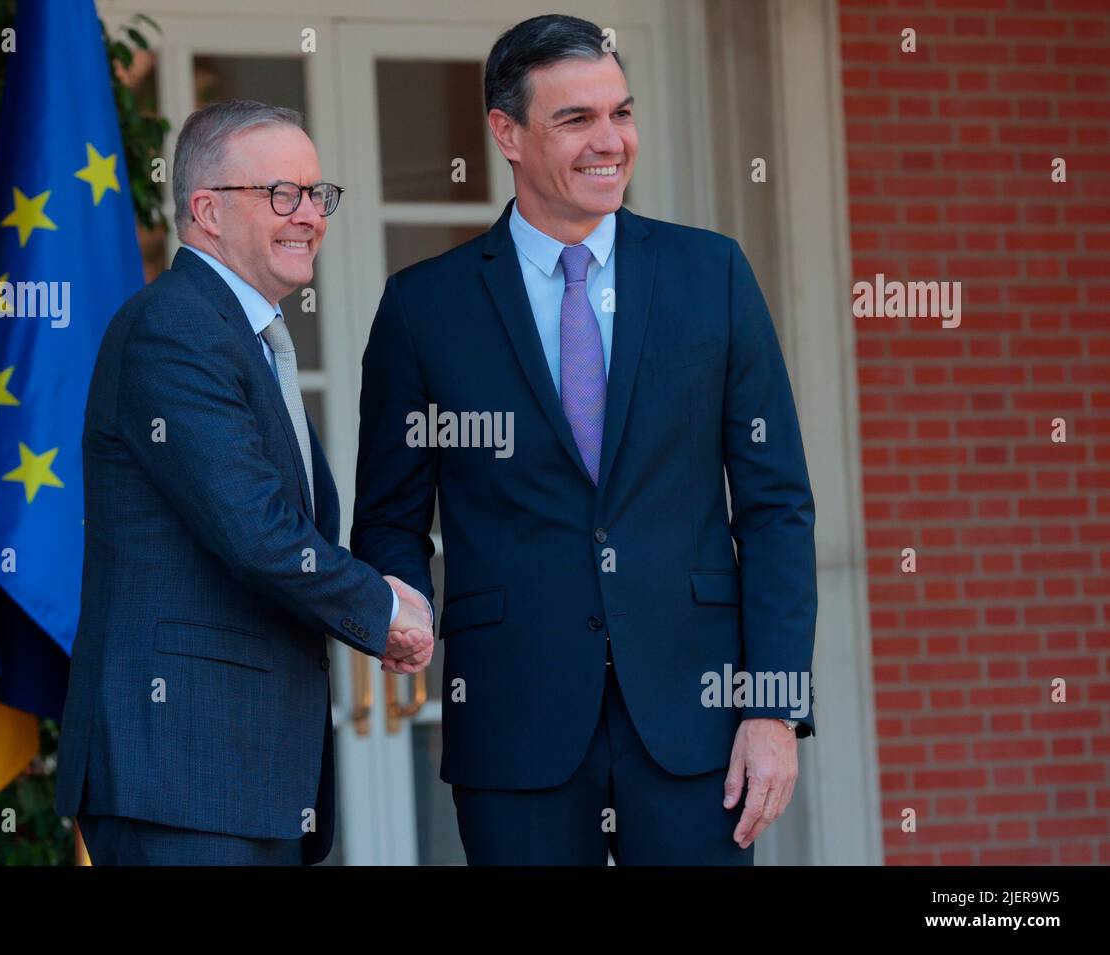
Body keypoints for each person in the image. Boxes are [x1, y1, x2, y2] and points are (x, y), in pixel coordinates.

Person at [352, 14, 816, 865]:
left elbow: (778, 505)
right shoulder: (425, 308)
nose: (610, 142)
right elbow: (388, 517)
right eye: (576, 119)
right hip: (513, 721)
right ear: (508, 133)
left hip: (698, 722)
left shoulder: (711, 275)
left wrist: (774, 707)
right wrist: (401, 603)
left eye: (622, 113)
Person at [56, 100, 433, 866]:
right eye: (281, 195)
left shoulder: (239, 332)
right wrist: (383, 605)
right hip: (182, 776)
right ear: (207, 212)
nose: (309, 216)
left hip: (237, 774)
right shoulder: (177, 328)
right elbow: (257, 531)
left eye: (317, 194)